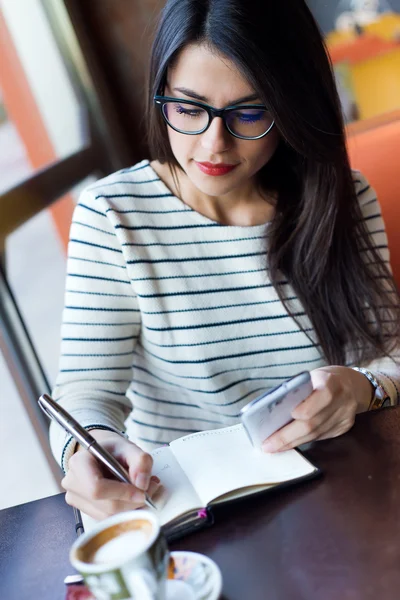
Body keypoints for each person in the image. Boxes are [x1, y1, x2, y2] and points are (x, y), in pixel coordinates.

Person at [50, 0, 400, 520]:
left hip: (343, 487)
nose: (214, 145)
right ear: (160, 93)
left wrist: (363, 388)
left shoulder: (343, 198)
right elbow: (85, 391)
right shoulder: (114, 216)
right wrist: (89, 447)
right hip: (196, 510)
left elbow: (391, 355)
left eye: (251, 113)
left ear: (292, 107)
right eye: (189, 109)